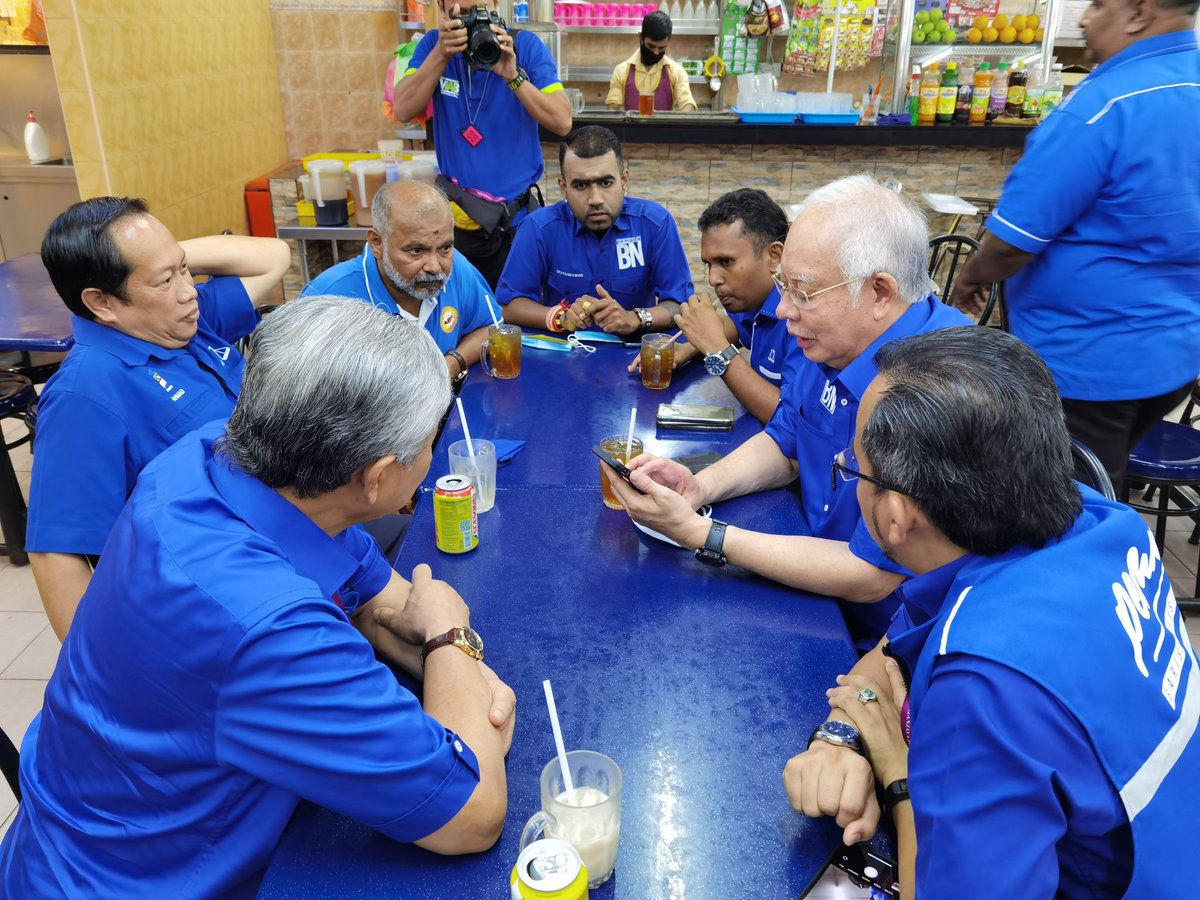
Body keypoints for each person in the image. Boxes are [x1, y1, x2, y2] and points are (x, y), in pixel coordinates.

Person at [0, 298, 515, 897]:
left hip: (82, 809)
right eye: (431, 440)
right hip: (129, 879)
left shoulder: (215, 455)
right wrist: (455, 642)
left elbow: (386, 603)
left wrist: (448, 666)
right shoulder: (269, 630)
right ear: (376, 478)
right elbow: (472, 815)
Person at [783, 326, 1200, 898]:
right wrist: (839, 735)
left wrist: (898, 772)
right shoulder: (1101, 522)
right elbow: (891, 654)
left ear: (898, 518)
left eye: (853, 469)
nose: (849, 478)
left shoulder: (982, 685)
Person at [604, 176, 969, 643]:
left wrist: (704, 534)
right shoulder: (830, 341)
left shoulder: (941, 388)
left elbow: (870, 575)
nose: (782, 311)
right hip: (810, 582)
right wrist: (698, 486)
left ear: (879, 291)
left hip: (887, 640)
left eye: (804, 292)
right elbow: (788, 439)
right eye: (784, 287)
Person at [949, 0, 1200, 490]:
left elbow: (1013, 243)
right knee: (1102, 485)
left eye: (1099, 4)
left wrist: (970, 279)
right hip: (1175, 358)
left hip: (1090, 362)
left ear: (1138, 12)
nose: (1084, 18)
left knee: (1062, 509)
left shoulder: (1103, 104)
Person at [26, 197, 291, 640]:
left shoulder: (180, 319)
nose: (188, 290)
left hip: (285, 539)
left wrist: (156, 259)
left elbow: (274, 257)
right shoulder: (85, 393)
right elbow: (57, 555)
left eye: (185, 269)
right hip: (222, 598)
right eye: (166, 280)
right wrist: (99, 673)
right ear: (102, 302)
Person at [392, 0, 573, 288]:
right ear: (442, 6)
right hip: (455, 225)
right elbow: (402, 109)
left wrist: (513, 77)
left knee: (516, 314)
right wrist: (441, 54)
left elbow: (562, 121)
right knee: (458, 317)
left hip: (516, 222)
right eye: (461, 14)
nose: (472, 21)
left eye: (479, 9)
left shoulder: (524, 46)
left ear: (496, 3)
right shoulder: (432, 46)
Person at [497, 126, 693, 337]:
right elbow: (508, 306)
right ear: (564, 188)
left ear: (624, 181)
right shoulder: (538, 229)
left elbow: (680, 305)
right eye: (581, 186)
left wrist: (635, 318)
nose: (595, 199)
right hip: (562, 357)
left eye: (606, 182)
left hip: (634, 358)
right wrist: (561, 317)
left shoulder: (655, 223)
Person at [301, 181, 497, 389]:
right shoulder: (327, 296)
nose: (434, 266)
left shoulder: (458, 267)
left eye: (445, 248)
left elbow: (492, 327)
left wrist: (452, 363)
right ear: (377, 243)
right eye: (416, 251)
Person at [667, 188, 803, 425]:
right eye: (709, 264)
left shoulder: (802, 318)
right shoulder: (753, 298)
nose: (713, 279)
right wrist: (688, 348)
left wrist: (717, 350)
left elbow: (790, 421)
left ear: (774, 257)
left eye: (726, 262)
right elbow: (736, 327)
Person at [606, 11, 698, 113]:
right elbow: (612, 108)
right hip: (631, 128)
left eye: (661, 48)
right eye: (651, 46)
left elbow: (688, 104)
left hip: (664, 129)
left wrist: (686, 113)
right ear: (641, 38)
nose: (656, 52)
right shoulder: (621, 71)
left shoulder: (677, 72)